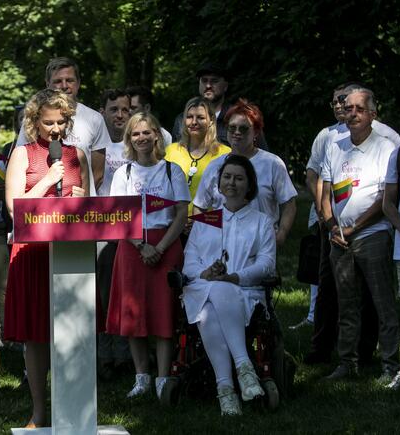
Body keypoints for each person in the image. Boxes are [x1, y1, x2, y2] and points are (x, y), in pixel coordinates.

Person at [4, 89, 89, 428]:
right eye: (48, 122)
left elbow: (91, 212)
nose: (55, 129)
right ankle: (40, 411)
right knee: (37, 335)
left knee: (71, 331)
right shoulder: (22, 155)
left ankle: (75, 408)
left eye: (61, 122)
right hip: (32, 254)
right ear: (34, 121)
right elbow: (14, 206)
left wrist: (81, 200)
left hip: (71, 255)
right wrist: (48, 181)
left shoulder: (77, 155)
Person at [303, 83, 399, 364]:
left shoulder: (386, 147)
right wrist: (332, 226)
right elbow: (325, 190)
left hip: (373, 235)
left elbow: (385, 198)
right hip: (339, 238)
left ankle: (390, 363)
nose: (352, 113)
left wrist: (352, 228)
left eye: (359, 109)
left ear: (372, 113)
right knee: (346, 306)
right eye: (348, 108)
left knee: (382, 304)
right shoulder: (336, 146)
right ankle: (347, 364)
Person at [182, 155, 275, 416]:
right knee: (214, 295)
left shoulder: (261, 222)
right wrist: (205, 272)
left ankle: (226, 390)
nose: (231, 182)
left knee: (213, 305)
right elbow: (189, 264)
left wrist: (236, 277)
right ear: (219, 183)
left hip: (246, 292)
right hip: (203, 288)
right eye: (227, 177)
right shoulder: (206, 220)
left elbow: (268, 264)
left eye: (238, 177)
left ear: (249, 184)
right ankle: (243, 369)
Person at [107, 112, 189, 400]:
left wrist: (160, 247)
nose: (141, 138)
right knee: (133, 314)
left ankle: (164, 379)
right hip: (132, 249)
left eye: (146, 132)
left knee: (165, 314)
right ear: (129, 139)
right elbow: (117, 217)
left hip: (166, 245)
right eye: (135, 134)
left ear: (157, 135)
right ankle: (142, 377)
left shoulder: (172, 171)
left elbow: (181, 214)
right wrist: (142, 247)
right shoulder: (123, 174)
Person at [192, 99, 297, 245]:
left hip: (261, 243)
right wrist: (204, 236)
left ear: (256, 132)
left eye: (243, 128)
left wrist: (282, 234)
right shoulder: (215, 165)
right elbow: (199, 206)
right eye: (232, 127)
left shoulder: (272, 163)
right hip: (221, 243)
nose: (236, 132)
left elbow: (289, 203)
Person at [14, 57, 110, 191]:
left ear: (78, 83)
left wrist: (79, 197)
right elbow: (21, 164)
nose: (64, 86)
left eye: (70, 80)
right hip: (41, 206)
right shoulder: (33, 119)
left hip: (80, 205)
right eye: (58, 81)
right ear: (48, 84)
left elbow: (98, 174)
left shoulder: (95, 119)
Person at [95, 88, 131, 378]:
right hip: (97, 228)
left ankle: (124, 356)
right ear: (102, 112)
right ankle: (103, 355)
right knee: (101, 295)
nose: (120, 115)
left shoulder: (138, 143)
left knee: (124, 295)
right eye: (114, 109)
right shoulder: (96, 144)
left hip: (129, 230)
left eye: (125, 110)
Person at [171, 64, 268, 150]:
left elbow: (261, 156)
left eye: (214, 81)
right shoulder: (182, 119)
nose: (208, 85)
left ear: (225, 86)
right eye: (204, 81)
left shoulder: (241, 118)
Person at [164, 97, 231, 216]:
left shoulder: (225, 154)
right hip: (173, 225)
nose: (194, 122)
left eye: (200, 117)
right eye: (189, 117)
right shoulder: (170, 151)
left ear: (211, 121)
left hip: (210, 225)